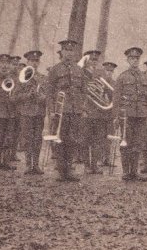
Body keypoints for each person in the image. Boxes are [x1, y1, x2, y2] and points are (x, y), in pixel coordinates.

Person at [45, 39, 86, 182]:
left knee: (73, 140)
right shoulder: (55, 70)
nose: (69, 53)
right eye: (66, 50)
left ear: (74, 53)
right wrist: (51, 110)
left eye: (71, 50)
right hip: (60, 111)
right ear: (62, 52)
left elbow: (83, 91)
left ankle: (70, 170)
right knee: (60, 140)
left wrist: (82, 108)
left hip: (75, 110)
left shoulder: (79, 70)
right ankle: (62, 172)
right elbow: (49, 92)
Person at [114, 47, 147, 182]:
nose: (135, 61)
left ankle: (134, 172)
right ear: (127, 60)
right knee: (125, 143)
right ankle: (126, 172)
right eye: (132, 58)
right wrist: (116, 116)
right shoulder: (122, 77)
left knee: (138, 144)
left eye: (137, 58)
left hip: (141, 115)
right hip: (127, 115)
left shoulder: (145, 77)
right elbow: (116, 99)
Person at [17, 50, 47, 174]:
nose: (34, 63)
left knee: (37, 139)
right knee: (27, 138)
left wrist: (42, 97)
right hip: (26, 113)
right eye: (32, 61)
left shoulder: (43, 78)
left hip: (39, 112)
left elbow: (47, 94)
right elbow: (15, 96)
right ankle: (29, 165)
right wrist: (27, 95)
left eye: (36, 61)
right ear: (27, 62)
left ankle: (36, 164)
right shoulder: (21, 77)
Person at [80, 50, 108, 174]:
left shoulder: (100, 74)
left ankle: (94, 165)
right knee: (86, 139)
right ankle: (86, 165)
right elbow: (79, 93)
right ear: (86, 61)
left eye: (96, 60)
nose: (94, 62)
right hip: (86, 112)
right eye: (92, 60)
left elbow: (106, 91)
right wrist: (82, 109)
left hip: (99, 112)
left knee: (98, 140)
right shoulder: (81, 74)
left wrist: (105, 97)